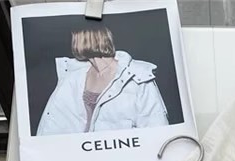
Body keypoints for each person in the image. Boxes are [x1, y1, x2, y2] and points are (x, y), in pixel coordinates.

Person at [36, 27, 169, 135]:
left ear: (86, 38)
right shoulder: (72, 76)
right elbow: (52, 126)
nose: (72, 42)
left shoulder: (137, 77)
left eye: (74, 36)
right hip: (79, 156)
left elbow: (157, 130)